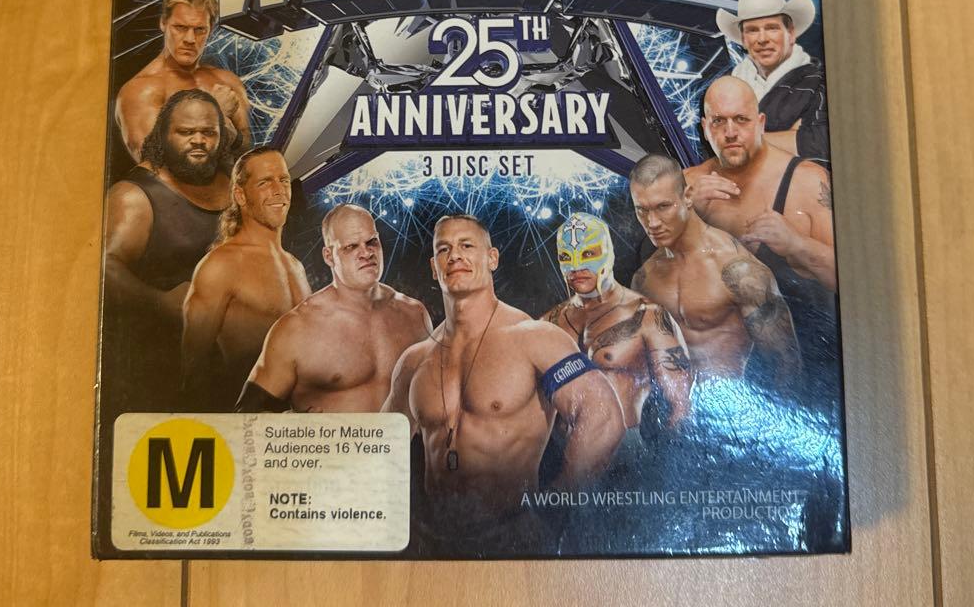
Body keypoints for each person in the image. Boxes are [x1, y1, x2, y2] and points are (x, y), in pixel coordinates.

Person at [382, 213, 623, 541]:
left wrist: (557, 500)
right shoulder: (414, 360)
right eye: (443, 249)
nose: (455, 256)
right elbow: (381, 449)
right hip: (435, 541)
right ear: (433, 267)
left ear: (492, 258)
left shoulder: (534, 338)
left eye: (467, 245)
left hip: (513, 534)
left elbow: (603, 415)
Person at [687, 76, 838, 384]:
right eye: (719, 122)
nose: (730, 132)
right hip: (719, 375)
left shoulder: (808, 183)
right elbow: (650, 280)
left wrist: (797, 244)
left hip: (810, 374)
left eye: (741, 120)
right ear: (705, 128)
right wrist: (687, 216)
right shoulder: (686, 185)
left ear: (760, 123)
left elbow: (849, 283)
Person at [102, 89, 231, 408]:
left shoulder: (234, 184)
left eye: (208, 133)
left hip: (233, 372)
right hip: (160, 375)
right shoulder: (134, 196)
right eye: (186, 132)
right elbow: (104, 265)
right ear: (163, 136)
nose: (198, 141)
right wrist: (161, 302)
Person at [543, 213, 691, 485]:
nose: (576, 266)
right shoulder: (549, 322)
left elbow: (680, 405)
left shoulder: (648, 315)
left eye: (588, 253)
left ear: (607, 253)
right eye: (566, 257)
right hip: (562, 454)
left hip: (625, 455)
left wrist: (666, 472)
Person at [237, 204, 431, 412]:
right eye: (351, 247)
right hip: (328, 436)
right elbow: (243, 418)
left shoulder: (414, 315)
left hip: (404, 435)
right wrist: (291, 427)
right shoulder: (296, 329)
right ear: (329, 256)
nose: (366, 253)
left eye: (372, 242)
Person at [629, 154, 801, 387]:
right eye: (642, 210)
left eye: (663, 207)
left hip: (733, 404)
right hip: (679, 406)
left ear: (687, 196)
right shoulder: (644, 279)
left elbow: (786, 363)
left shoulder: (738, 271)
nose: (653, 223)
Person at [180, 148, 311, 405]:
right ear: (240, 195)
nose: (279, 190)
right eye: (265, 182)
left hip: (297, 423)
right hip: (246, 416)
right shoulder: (221, 265)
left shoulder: (295, 265)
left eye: (284, 180)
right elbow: (192, 370)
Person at [114, 0, 250, 164]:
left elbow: (247, 153)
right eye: (180, 27)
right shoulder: (141, 90)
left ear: (210, 30)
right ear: (163, 23)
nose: (190, 39)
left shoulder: (227, 81)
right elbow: (153, 162)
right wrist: (214, 112)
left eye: (199, 30)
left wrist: (232, 135)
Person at [716, 0, 830, 162]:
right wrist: (788, 137)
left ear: (790, 33)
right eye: (753, 30)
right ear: (743, 39)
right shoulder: (725, 87)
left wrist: (736, 141)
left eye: (771, 28)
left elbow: (821, 143)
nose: (762, 39)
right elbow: (713, 149)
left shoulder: (820, 83)